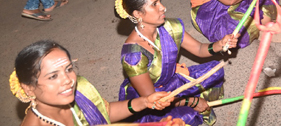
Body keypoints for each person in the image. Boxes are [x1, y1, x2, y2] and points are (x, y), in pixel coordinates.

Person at [116, 0, 235, 125]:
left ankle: (195, 101)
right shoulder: (133, 56)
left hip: (172, 80)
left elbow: (199, 49)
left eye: (160, 1)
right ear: (138, 14)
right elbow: (154, 100)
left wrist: (219, 44)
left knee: (215, 70)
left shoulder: (170, 26)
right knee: (186, 117)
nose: (163, 7)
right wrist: (192, 101)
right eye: (155, 4)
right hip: (153, 97)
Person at [11, 40, 180, 126]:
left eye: (69, 69)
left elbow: (105, 111)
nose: (68, 80)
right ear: (29, 89)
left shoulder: (80, 89)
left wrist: (145, 102)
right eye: (53, 76)